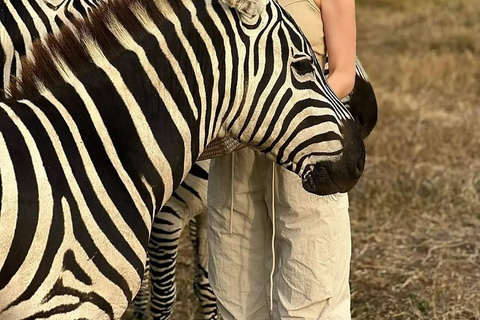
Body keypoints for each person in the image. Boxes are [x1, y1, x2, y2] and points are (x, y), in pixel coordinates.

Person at [207, 0, 357, 319]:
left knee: (313, 284)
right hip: (236, 153)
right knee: (234, 284)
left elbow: (343, 74)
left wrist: (285, 119)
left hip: (307, 147)